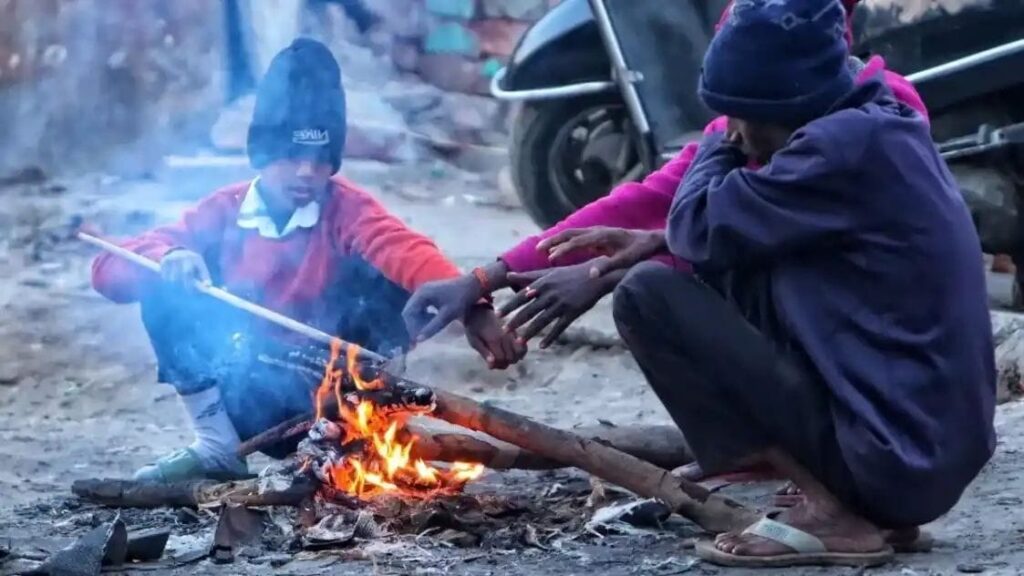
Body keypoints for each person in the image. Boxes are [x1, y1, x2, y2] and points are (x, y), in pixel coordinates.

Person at [609, 0, 994, 566]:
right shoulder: (876, 125)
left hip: (895, 460)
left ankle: (832, 513)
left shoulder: (839, 148)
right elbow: (718, 242)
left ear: (782, 105)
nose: (736, 132)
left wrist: (717, 146)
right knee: (738, 273)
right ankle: (863, 508)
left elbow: (692, 227)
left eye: (740, 115)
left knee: (647, 296)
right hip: (921, 453)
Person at [401, 0, 928, 365]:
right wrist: (484, 278)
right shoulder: (758, 122)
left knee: (657, 294)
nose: (727, 129)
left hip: (892, 382)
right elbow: (647, 200)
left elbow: (738, 244)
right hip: (866, 371)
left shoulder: (863, 135)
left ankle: (810, 459)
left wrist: (606, 273)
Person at [91, 38, 511, 483]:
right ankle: (217, 447)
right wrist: (169, 257)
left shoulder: (347, 208)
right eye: (293, 156)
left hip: (329, 396)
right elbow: (106, 271)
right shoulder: (223, 211)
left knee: (387, 278)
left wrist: (473, 303)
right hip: (246, 392)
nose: (308, 173)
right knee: (163, 281)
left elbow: (407, 250)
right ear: (262, 153)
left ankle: (360, 442)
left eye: (320, 159)